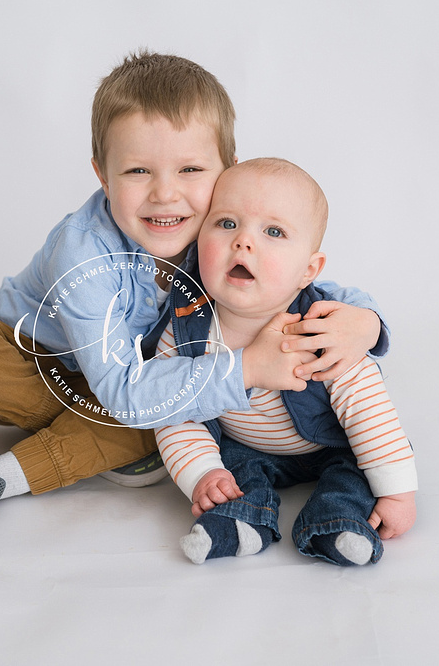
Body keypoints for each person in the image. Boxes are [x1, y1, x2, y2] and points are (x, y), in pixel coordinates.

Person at [0, 52, 391, 528]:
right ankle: (109, 436)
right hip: (31, 358)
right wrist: (250, 367)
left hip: (138, 386)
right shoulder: (83, 253)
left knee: (157, 416)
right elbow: (125, 392)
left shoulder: (223, 233)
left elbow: (292, 283)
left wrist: (364, 321)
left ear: (228, 169)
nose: (165, 194)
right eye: (137, 171)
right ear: (103, 176)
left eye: (191, 169)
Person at [154, 158, 417, 565]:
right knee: (232, 472)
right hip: (245, 445)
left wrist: (397, 491)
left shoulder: (321, 326)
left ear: (307, 270)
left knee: (356, 473)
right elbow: (174, 407)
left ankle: (338, 522)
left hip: (331, 442)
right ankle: (241, 521)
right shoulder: (187, 327)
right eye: (226, 223)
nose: (243, 242)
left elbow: (367, 407)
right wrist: (202, 473)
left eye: (273, 232)